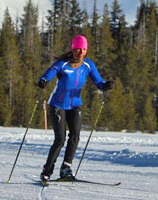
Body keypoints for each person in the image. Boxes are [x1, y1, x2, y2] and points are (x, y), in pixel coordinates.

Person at [37, 35, 113, 183]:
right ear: (73, 48)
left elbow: (98, 81)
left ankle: (66, 169)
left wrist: (105, 86)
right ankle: (46, 171)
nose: (81, 52)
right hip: (57, 105)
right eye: (78, 48)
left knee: (75, 136)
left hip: (75, 104)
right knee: (60, 139)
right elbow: (48, 74)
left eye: (84, 49)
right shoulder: (62, 64)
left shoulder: (88, 65)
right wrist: (43, 81)